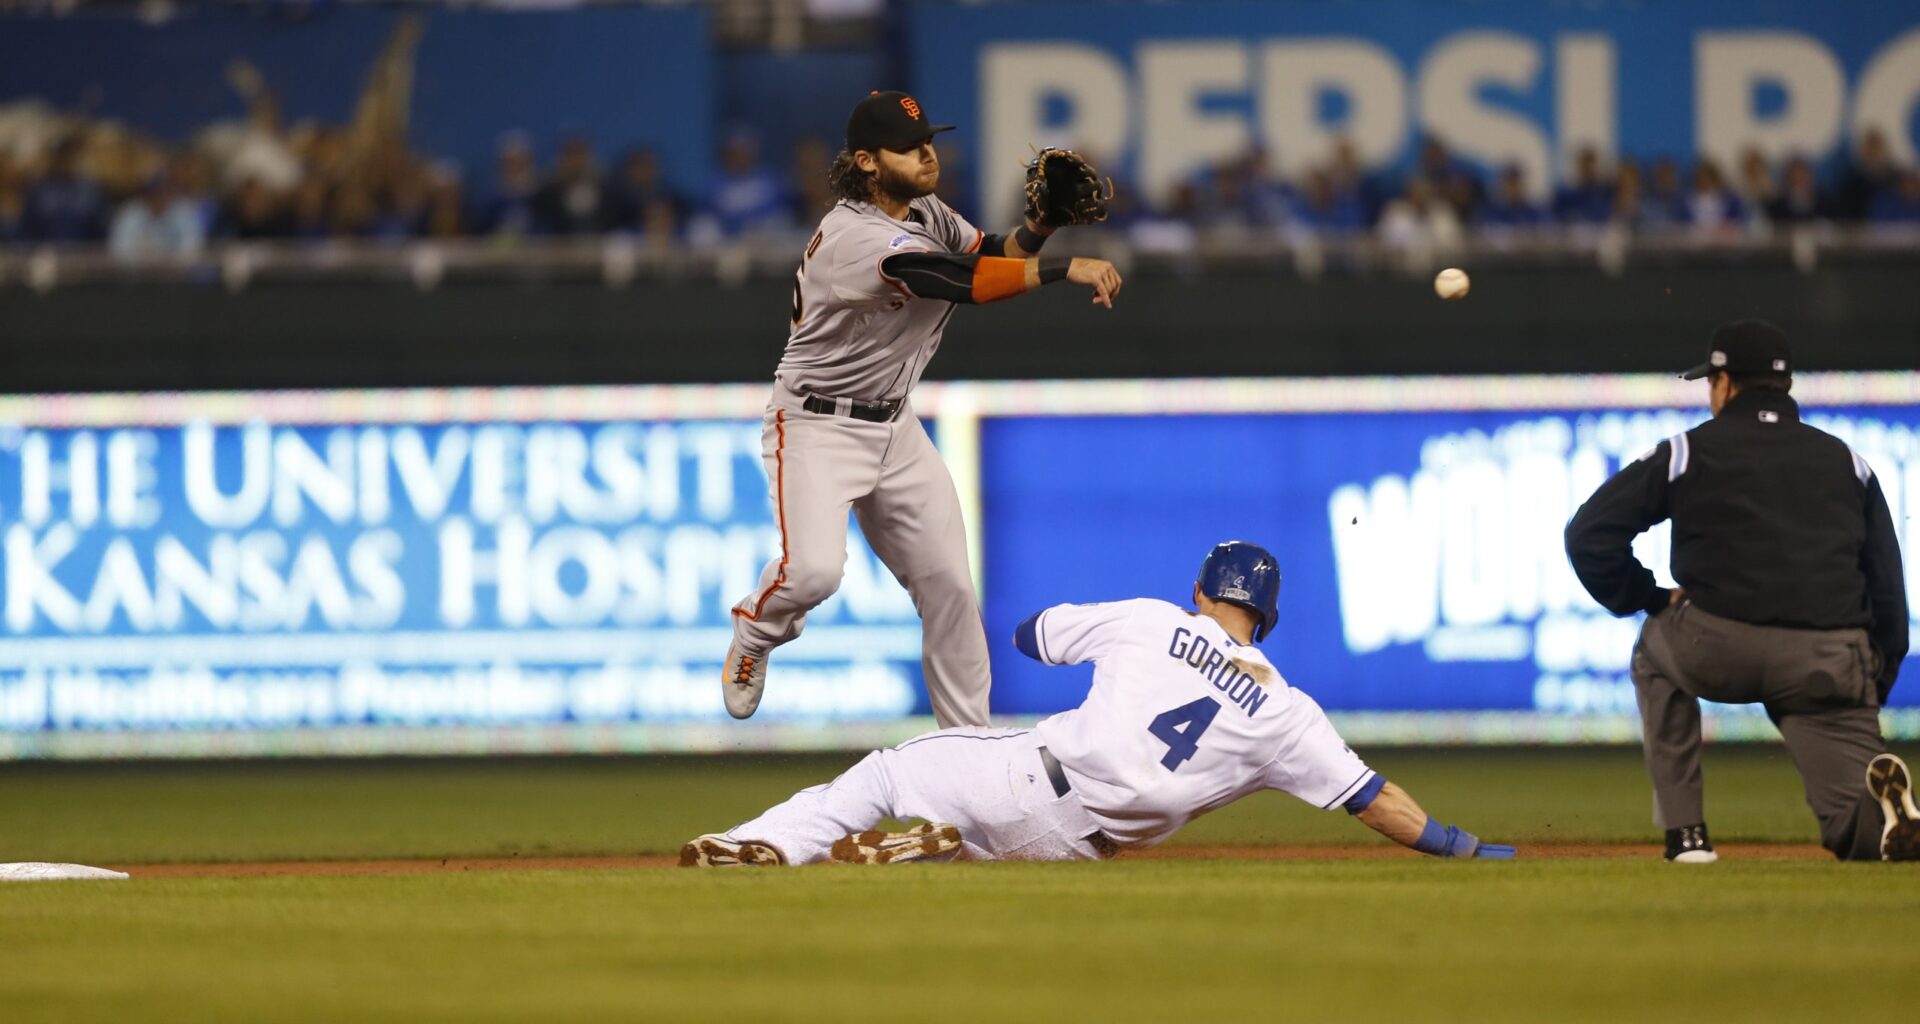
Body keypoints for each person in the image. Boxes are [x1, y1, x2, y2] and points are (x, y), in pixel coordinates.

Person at [684, 542, 1516, 866]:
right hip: (1082, 850)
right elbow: (1377, 806)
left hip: (1031, 776)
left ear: (1198, 591)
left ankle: (761, 845)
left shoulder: (1155, 620)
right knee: (973, 852)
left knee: (883, 774)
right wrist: (1469, 849)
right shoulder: (1289, 715)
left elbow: (1030, 635)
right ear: (1269, 618)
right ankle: (928, 849)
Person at [721, 91, 1123, 727]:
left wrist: (1041, 227)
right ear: (868, 162)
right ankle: (755, 630)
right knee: (814, 574)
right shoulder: (853, 237)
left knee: (952, 590)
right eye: (908, 145)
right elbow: (960, 283)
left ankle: (968, 753)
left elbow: (988, 255)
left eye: (928, 138)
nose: (927, 151)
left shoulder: (923, 208)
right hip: (815, 426)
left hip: (894, 427)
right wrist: (1062, 265)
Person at [1565, 320, 1917, 863]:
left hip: (1718, 646)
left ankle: (1687, 837)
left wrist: (1649, 596)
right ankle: (1883, 820)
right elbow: (1888, 590)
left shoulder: (1687, 452)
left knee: (1653, 652)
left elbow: (1587, 534)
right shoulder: (1849, 463)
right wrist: (1871, 681)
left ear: (1725, 383)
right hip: (1828, 658)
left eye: (1711, 382)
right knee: (1852, 822)